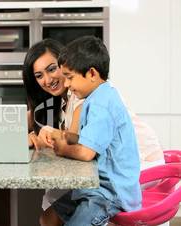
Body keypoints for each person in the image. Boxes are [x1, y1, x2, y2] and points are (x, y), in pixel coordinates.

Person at [21, 38, 165, 225]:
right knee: (50, 214)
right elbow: (75, 137)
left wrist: (58, 145)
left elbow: (83, 150)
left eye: (53, 69)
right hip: (108, 173)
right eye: (39, 75)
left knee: (55, 196)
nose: (48, 80)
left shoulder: (94, 100)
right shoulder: (85, 92)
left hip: (128, 174)